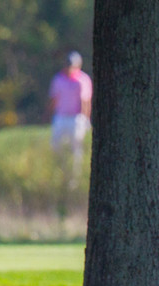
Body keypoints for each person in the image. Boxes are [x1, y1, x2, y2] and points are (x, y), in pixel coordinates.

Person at [48, 51, 93, 189]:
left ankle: (74, 180)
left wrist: (85, 118)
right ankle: (58, 175)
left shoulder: (83, 79)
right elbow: (54, 99)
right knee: (56, 146)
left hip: (76, 118)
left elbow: (85, 101)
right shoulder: (58, 79)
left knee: (76, 148)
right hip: (61, 117)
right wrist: (49, 115)